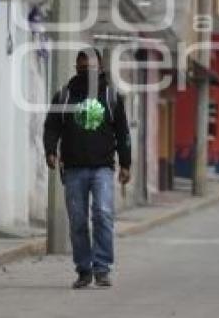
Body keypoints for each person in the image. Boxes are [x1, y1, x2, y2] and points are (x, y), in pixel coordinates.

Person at [44, 49, 131, 289]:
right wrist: (50, 150)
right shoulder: (64, 96)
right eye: (82, 67)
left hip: (102, 167)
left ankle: (102, 268)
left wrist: (125, 163)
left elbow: (123, 132)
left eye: (91, 67)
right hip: (72, 169)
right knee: (78, 221)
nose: (86, 71)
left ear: (100, 68)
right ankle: (84, 269)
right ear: (76, 67)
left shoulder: (111, 97)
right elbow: (51, 127)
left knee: (103, 214)